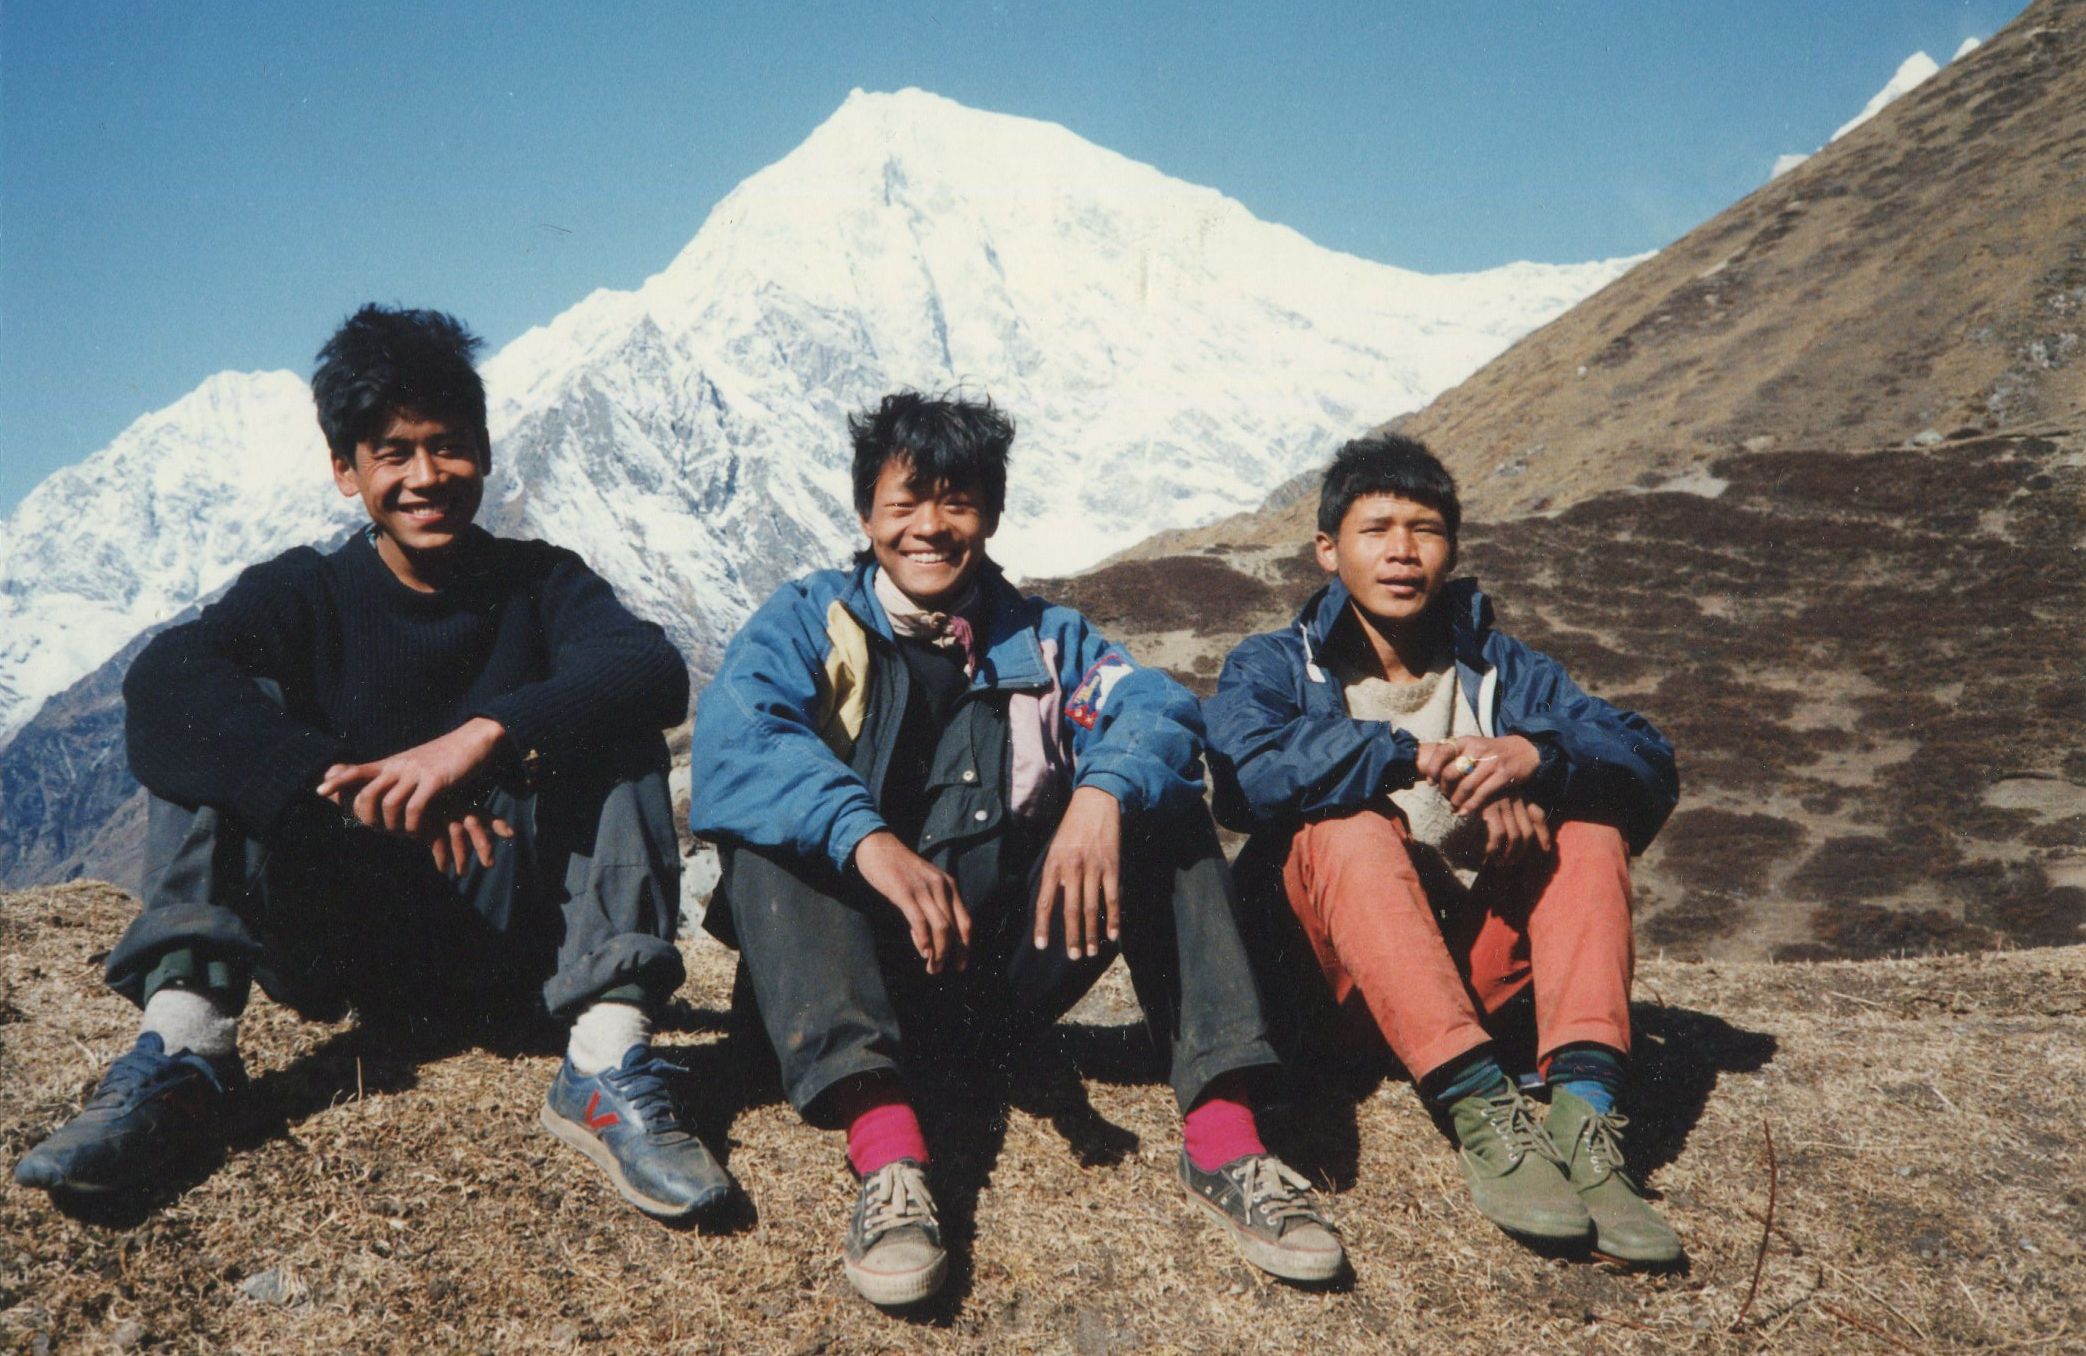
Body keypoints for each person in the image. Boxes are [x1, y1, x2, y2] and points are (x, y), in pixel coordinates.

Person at [13, 305, 728, 1221]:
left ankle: (605, 1061)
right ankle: (186, 1053)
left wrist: (477, 741)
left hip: (517, 941)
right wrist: (358, 787)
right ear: (345, 471)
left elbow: (650, 668)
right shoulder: (302, 593)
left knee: (614, 708)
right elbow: (163, 684)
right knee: (220, 712)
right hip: (332, 940)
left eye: (448, 445)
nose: (426, 476)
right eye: (393, 452)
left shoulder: (543, 584)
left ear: (486, 451)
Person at [690, 391, 1342, 1306]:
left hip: (996, 983)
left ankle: (1229, 1140)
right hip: (843, 976)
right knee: (777, 830)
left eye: (956, 502)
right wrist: (863, 836)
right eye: (905, 501)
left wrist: (1102, 797)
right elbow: (739, 736)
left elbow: (1149, 705)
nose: (930, 527)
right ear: (864, 511)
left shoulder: (1045, 640)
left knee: (1161, 806)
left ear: (990, 515)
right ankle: (887, 1156)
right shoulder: (804, 622)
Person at [1203, 434, 1682, 1265]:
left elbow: (1645, 755)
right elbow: (1247, 775)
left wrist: (1539, 763)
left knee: (1589, 826)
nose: (1401, 551)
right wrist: (1403, 755)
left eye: (1424, 530)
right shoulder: (1278, 664)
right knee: (1346, 824)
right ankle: (1478, 1110)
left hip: (1471, 980)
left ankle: (1587, 1117)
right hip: (1333, 991)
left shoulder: (1502, 668)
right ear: (1328, 550)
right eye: (1376, 528)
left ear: (1451, 549)